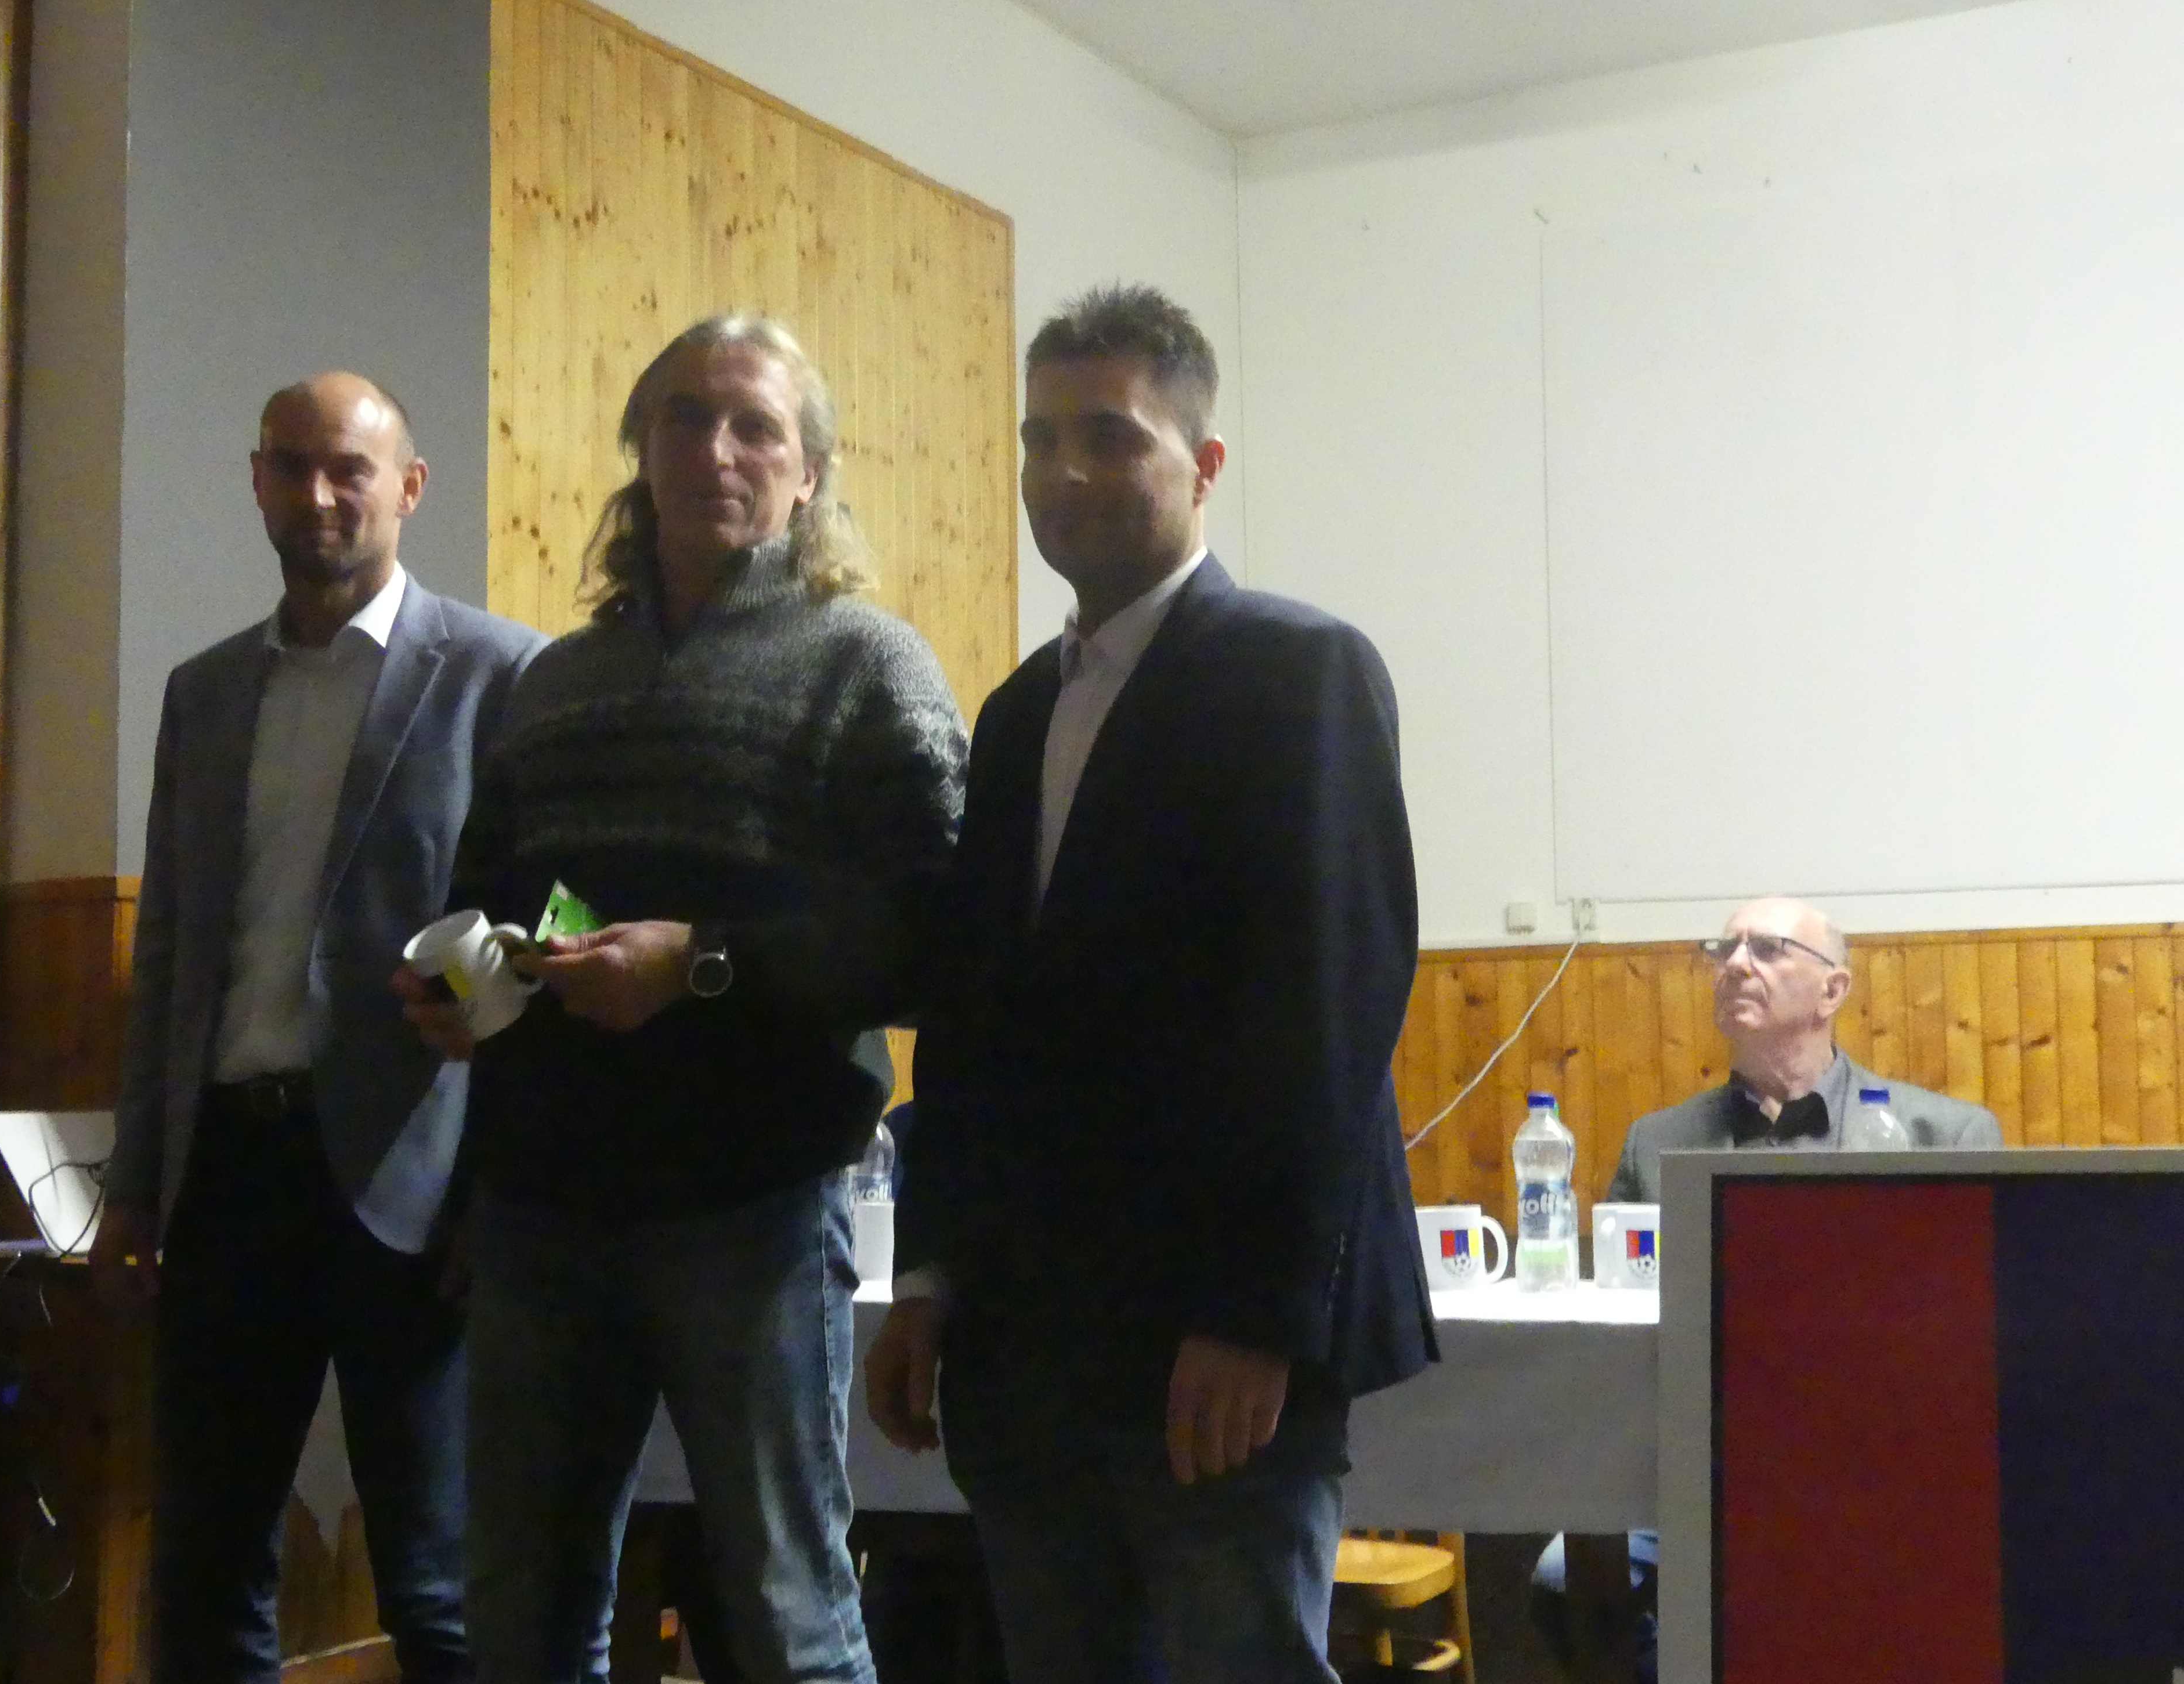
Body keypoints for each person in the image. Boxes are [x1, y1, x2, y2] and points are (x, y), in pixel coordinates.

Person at [865, 284, 1436, 1684]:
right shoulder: (1015, 714)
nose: (1065, 472)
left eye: (1111, 436)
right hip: (1024, 1338)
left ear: (1204, 463)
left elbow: (1325, 1012)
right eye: (1038, 439)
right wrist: (927, 1274)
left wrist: (1253, 1315)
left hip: (1211, 1338)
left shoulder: (1299, 671)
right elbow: (974, 1017)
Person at [399, 315, 967, 1684]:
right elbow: (503, 900)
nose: (716, 448)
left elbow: (928, 939)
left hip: (753, 1210)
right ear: (640, 451)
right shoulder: (553, 684)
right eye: (684, 417)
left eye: (754, 426)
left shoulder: (867, 664)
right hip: (542, 1210)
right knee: (520, 1613)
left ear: (808, 474)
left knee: (785, 1611)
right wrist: (465, 992)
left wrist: (700, 963)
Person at [93, 373, 545, 1683]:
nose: (320, 494)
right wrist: (136, 1184)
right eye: (291, 466)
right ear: (257, 482)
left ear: (409, 487)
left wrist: (497, 1190)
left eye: (350, 468)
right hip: (229, 1175)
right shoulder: (203, 693)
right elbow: (170, 951)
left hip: (415, 1183)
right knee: (204, 1563)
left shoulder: (503, 674)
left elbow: (546, 925)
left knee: (437, 1580)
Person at [1529, 893, 2004, 1682]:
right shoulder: (1659, 1142)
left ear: (1833, 990)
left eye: (1769, 948)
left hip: (1883, 1475)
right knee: (1563, 1581)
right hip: (1700, 1471)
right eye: (1725, 949)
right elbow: (1620, 1322)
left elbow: (1966, 1343)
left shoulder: (1943, 1135)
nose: (1735, 964)